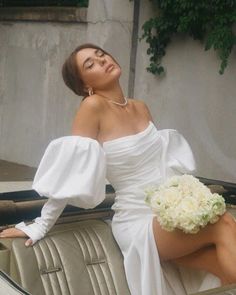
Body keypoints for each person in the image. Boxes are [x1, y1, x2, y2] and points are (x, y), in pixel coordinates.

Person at [1, 43, 236, 295]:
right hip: (136, 223)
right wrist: (40, 225)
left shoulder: (141, 107)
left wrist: (190, 199)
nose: (102, 61)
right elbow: (72, 172)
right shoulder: (92, 107)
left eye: (101, 54)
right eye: (90, 64)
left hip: (168, 216)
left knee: (220, 268)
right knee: (223, 222)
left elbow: (161, 167)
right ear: (83, 85)